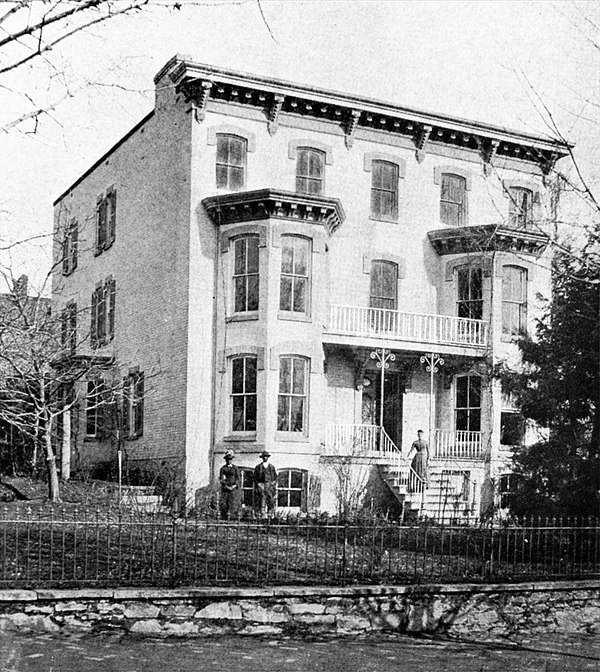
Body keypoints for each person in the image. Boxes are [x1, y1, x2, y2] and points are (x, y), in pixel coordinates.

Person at [253, 450, 277, 517]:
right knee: (261, 499)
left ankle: (270, 514)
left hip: (269, 485)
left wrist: (273, 483)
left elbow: (275, 477)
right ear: (262, 458)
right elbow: (255, 478)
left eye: (266, 457)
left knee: (270, 499)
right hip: (261, 485)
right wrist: (258, 484)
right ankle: (262, 514)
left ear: (268, 458)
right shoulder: (258, 467)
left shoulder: (271, 467)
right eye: (264, 457)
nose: (265, 458)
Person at [219, 450, 241, 519]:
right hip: (226, 489)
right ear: (225, 460)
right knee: (225, 503)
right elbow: (221, 479)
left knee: (233, 502)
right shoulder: (223, 468)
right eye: (227, 459)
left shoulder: (235, 468)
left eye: (230, 459)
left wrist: (234, 486)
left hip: (234, 488)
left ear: (232, 459)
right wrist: (226, 486)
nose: (229, 461)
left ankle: (233, 518)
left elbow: (238, 478)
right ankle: (225, 518)